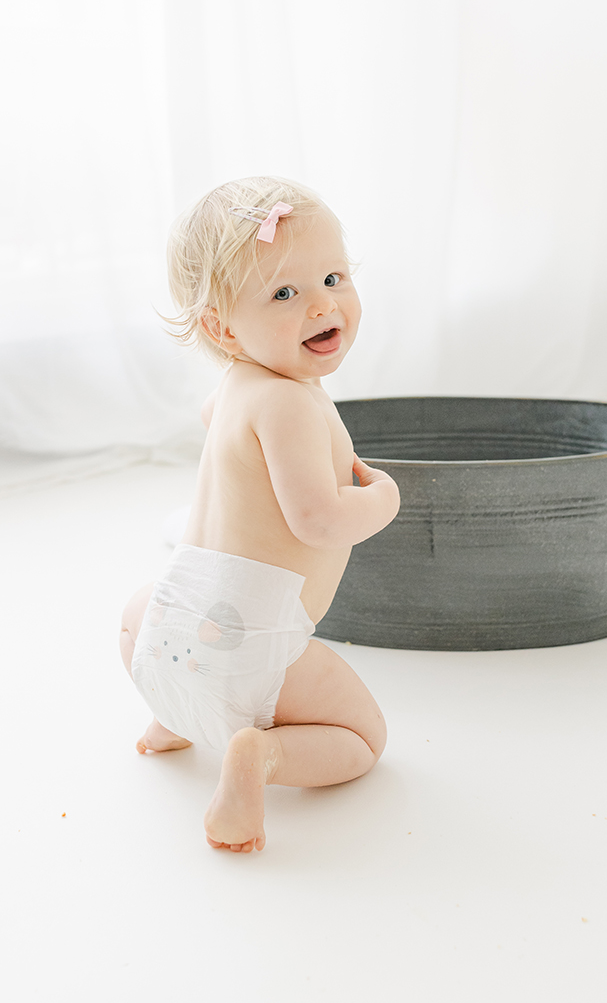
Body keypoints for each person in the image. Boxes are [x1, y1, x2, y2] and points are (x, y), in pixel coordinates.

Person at [119, 176, 400, 853]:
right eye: (284, 293)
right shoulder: (292, 406)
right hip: (252, 647)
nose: (321, 305)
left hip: (157, 634)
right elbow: (318, 520)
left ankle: (173, 714)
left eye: (333, 277)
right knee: (365, 738)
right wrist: (383, 498)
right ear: (221, 326)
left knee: (144, 608)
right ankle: (259, 758)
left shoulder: (233, 390)